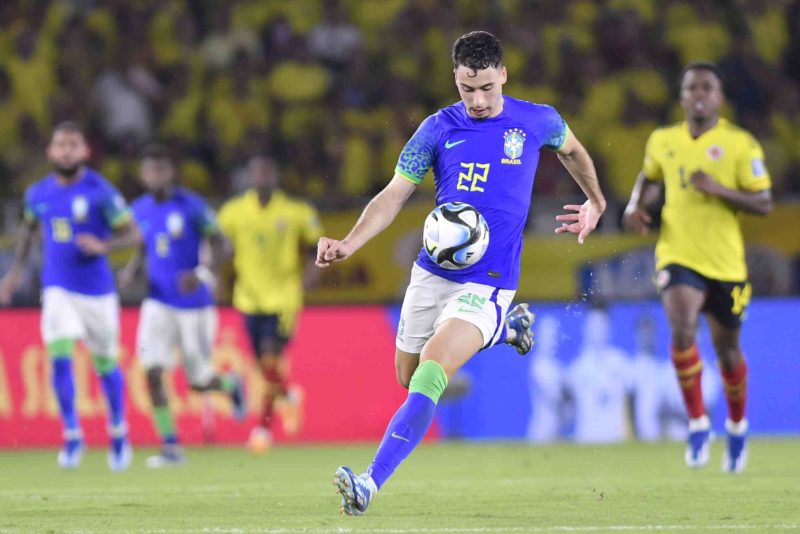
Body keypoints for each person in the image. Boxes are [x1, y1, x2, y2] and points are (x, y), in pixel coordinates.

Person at [317, 31, 606, 515]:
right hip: (432, 273)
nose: (477, 99)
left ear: (503, 75)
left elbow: (573, 151)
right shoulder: (436, 128)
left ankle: (368, 483)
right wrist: (349, 242)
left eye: (487, 88)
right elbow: (394, 193)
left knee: (431, 371)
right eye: (467, 89)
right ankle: (505, 330)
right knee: (407, 378)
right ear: (455, 78)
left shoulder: (537, 120)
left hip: (489, 281)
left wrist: (596, 202)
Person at [623, 62, 773, 473]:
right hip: (677, 253)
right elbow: (649, 176)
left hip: (726, 263)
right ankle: (697, 422)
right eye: (691, 88)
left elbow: (763, 202)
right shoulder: (663, 140)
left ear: (720, 97)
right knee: (683, 327)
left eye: (707, 87)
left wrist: (719, 190)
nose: (699, 94)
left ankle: (737, 426)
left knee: (727, 352)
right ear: (683, 96)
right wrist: (637, 205)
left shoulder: (741, 144)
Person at [0, 121, 140, 471]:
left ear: (84, 151)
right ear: (51, 152)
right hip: (57, 287)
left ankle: (118, 431)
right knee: (60, 357)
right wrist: (14, 274)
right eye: (60, 145)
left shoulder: (100, 191)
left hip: (97, 291)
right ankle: (72, 435)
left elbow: (133, 234)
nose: (66, 151)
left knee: (105, 364)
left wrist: (104, 245)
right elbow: (29, 234)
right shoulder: (37, 194)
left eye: (73, 145)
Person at [120, 145, 246, 468]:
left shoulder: (191, 206)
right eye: (151, 170)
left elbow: (223, 244)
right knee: (151, 371)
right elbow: (144, 247)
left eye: (162, 169)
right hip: (157, 302)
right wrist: (134, 269)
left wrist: (203, 274)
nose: (156, 175)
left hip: (195, 306)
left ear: (171, 172)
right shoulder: (139, 209)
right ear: (143, 175)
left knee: (198, 381)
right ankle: (171, 447)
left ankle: (231, 385)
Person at [218, 155, 322, 453]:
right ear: (249, 178)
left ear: (275, 178)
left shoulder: (295, 211)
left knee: (269, 359)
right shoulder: (233, 211)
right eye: (256, 173)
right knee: (263, 367)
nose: (261, 178)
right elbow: (218, 244)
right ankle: (288, 393)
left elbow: (317, 243)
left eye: (267, 173)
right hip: (248, 298)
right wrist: (213, 273)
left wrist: (311, 274)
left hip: (283, 297)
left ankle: (262, 430)